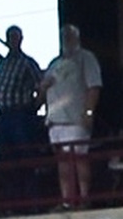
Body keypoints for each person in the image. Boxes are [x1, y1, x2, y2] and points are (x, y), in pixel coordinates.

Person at [38, 24, 101, 208]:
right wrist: (43, 88)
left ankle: (84, 197)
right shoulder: (54, 64)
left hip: (76, 118)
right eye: (63, 37)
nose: (66, 40)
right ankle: (67, 200)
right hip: (56, 120)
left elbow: (94, 86)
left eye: (69, 36)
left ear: (77, 37)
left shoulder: (86, 58)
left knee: (79, 158)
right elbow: (41, 92)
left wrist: (89, 112)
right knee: (63, 161)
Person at [0, 25, 45, 200]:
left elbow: (42, 86)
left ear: (21, 39)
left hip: (20, 116)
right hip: (3, 116)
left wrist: (34, 108)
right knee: (6, 160)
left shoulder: (28, 63)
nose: (13, 41)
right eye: (10, 37)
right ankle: (11, 199)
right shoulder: (2, 64)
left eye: (15, 37)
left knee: (25, 158)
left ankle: (29, 198)